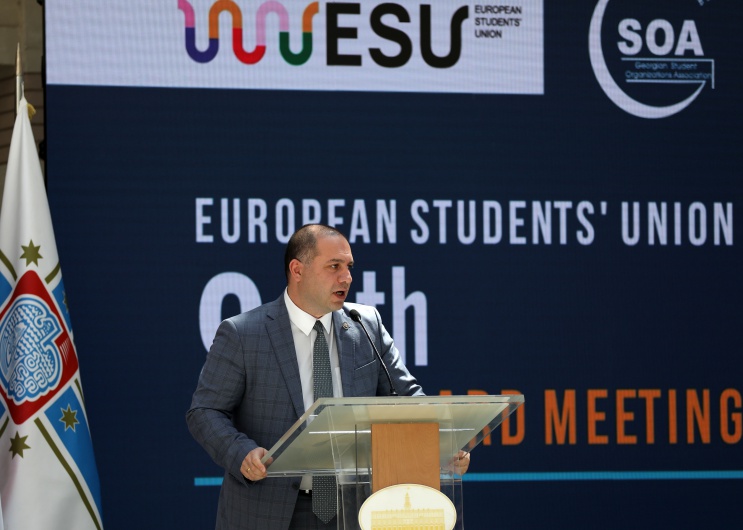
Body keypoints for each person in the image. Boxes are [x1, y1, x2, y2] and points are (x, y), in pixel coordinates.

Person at [187, 224, 469, 530]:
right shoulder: (244, 333)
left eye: (349, 267)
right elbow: (205, 411)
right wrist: (241, 453)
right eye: (334, 266)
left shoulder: (366, 325)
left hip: (354, 508)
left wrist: (441, 443)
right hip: (268, 509)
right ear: (297, 270)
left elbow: (408, 399)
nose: (346, 277)